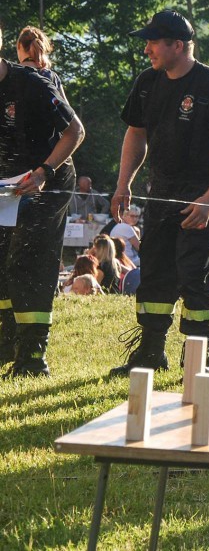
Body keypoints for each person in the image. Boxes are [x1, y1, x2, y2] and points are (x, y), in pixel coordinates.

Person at [108, 10, 209, 376]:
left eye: (153, 42)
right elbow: (136, 134)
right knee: (154, 271)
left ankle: (198, 362)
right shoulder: (147, 83)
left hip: (202, 194)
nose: (147, 49)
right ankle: (150, 355)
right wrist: (124, 184)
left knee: (193, 274)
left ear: (178, 45)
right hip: (160, 191)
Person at [0, 25, 85, 376]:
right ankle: (7, 344)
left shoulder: (32, 82)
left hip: (47, 179)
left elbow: (75, 131)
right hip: (6, 187)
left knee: (28, 261)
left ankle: (33, 358)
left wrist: (43, 172)